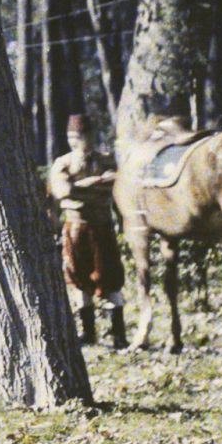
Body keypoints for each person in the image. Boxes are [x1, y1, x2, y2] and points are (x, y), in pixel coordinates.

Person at [46, 113, 126, 348]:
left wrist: (81, 186)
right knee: (78, 280)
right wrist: (98, 182)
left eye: (79, 136)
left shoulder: (107, 160)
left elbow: (118, 184)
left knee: (110, 280)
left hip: (103, 228)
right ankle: (88, 333)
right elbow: (63, 191)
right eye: (71, 137)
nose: (75, 141)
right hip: (76, 228)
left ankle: (118, 335)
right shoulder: (63, 163)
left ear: (90, 136)